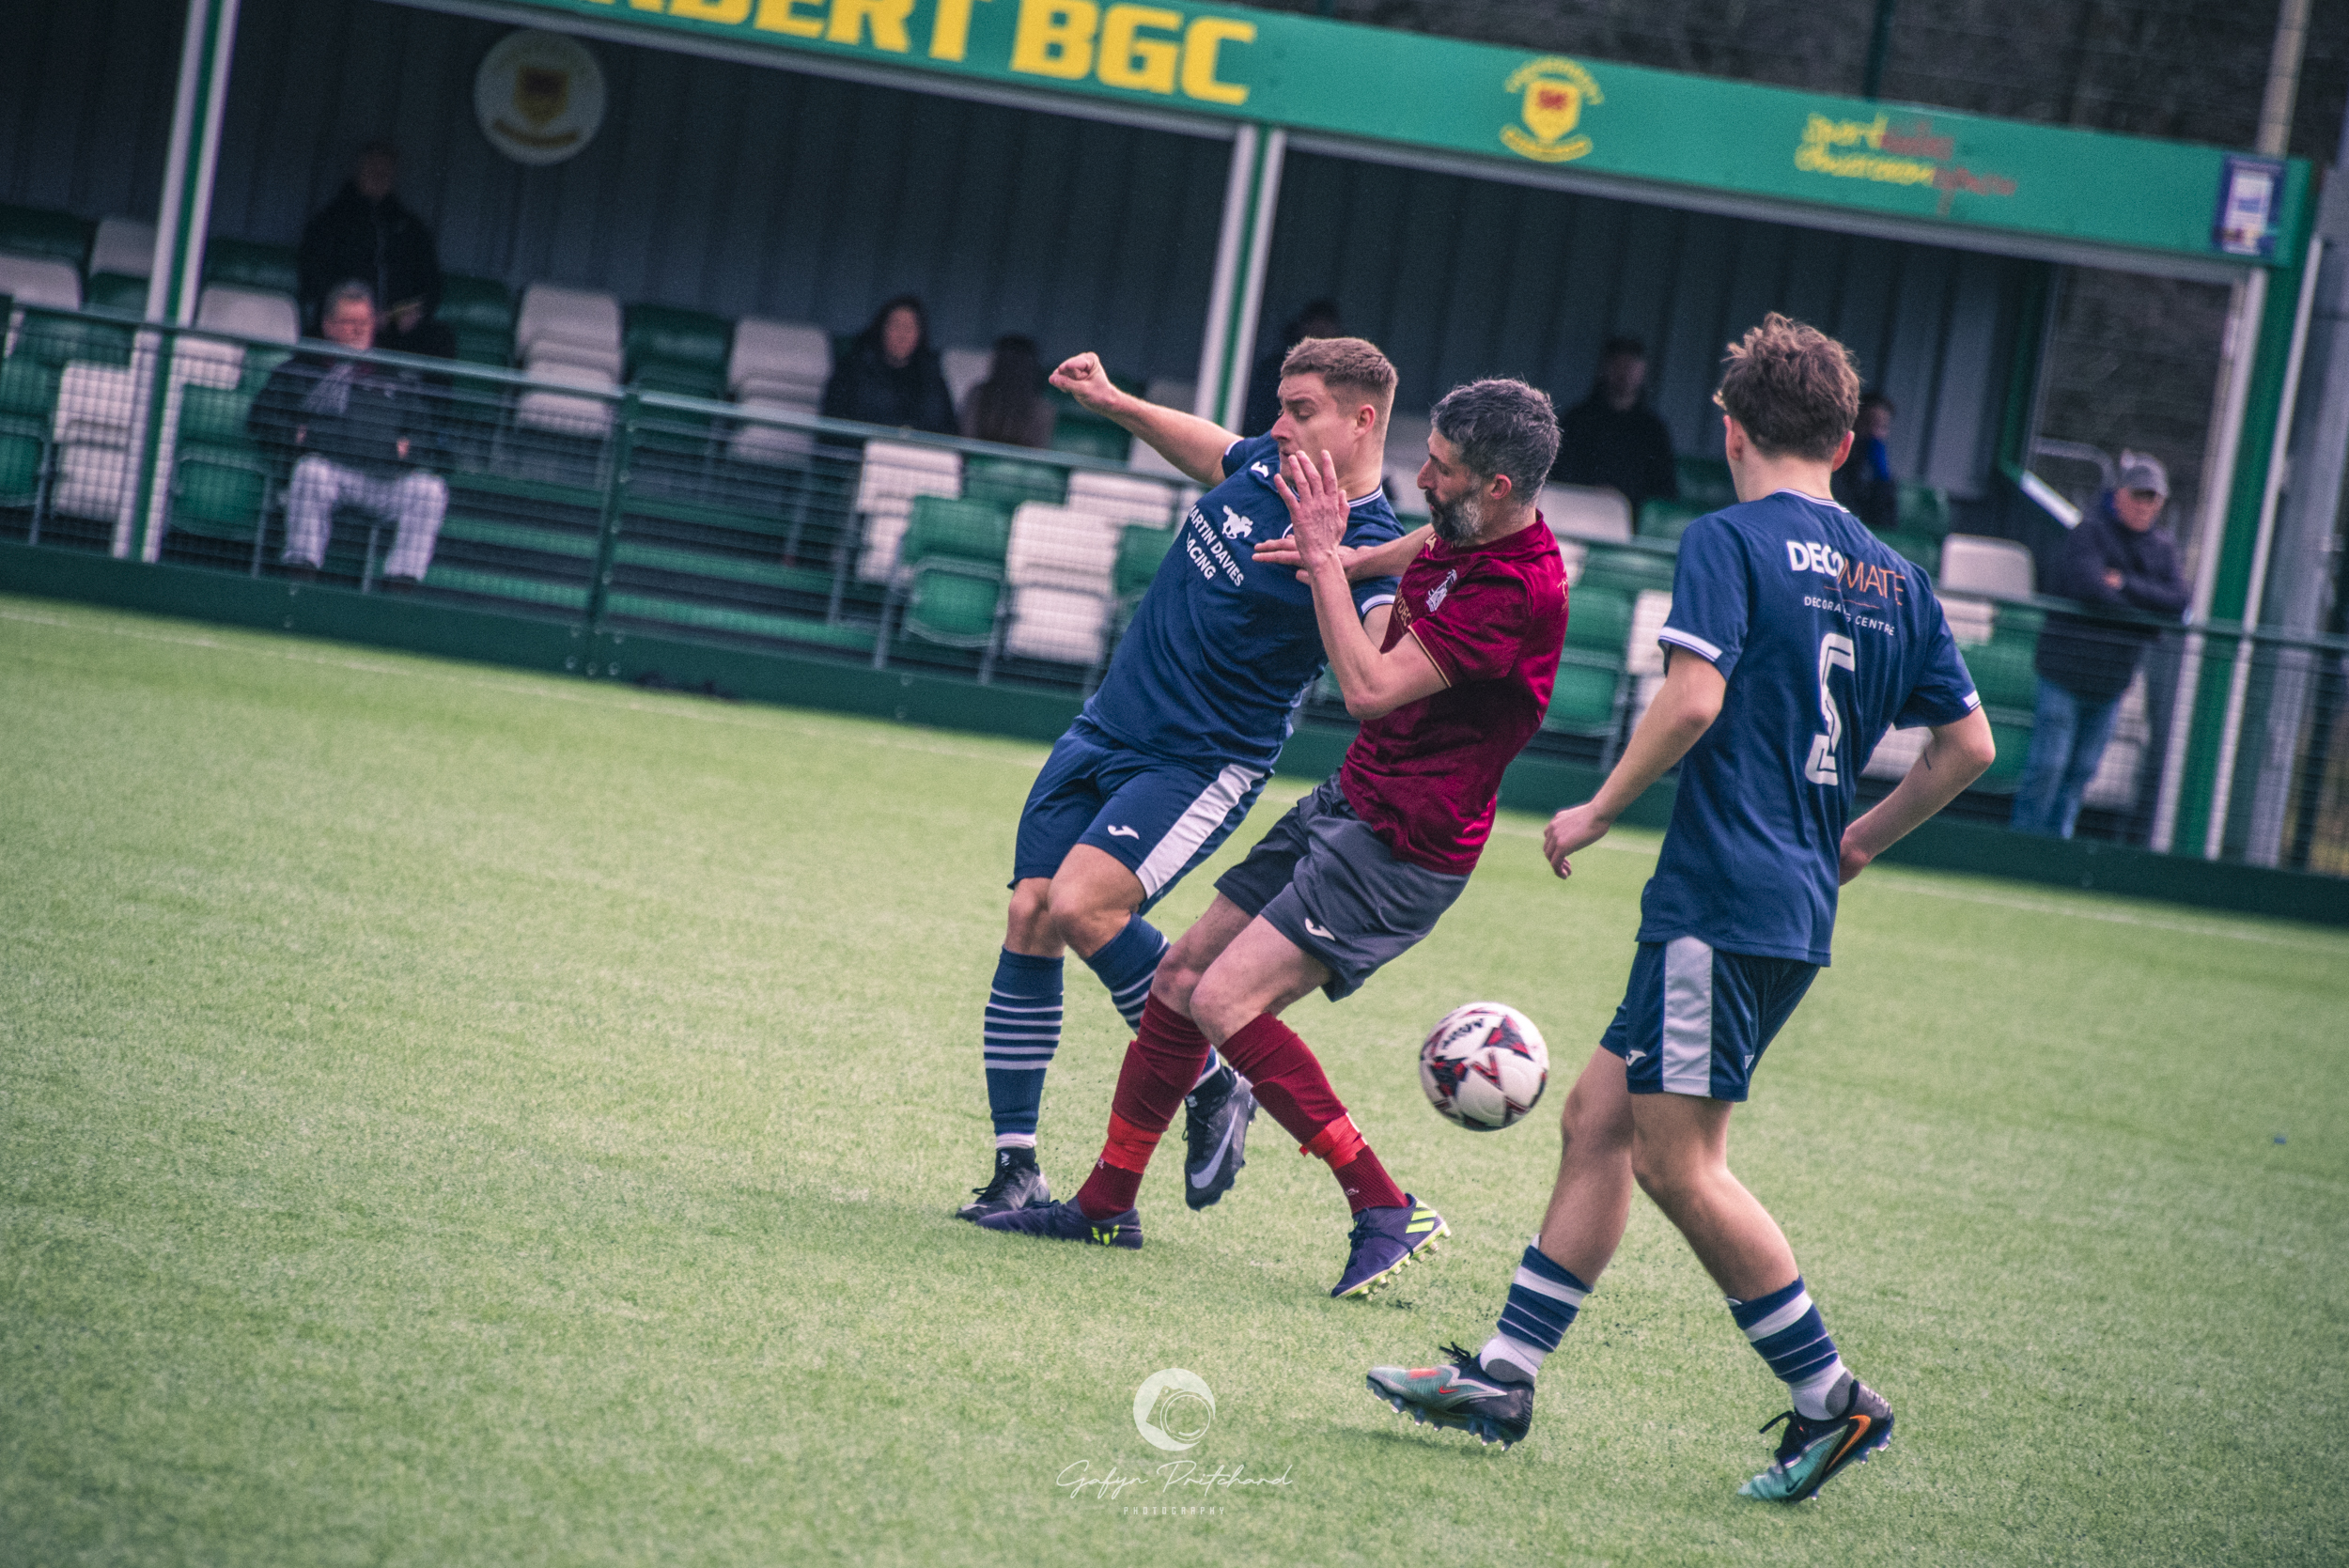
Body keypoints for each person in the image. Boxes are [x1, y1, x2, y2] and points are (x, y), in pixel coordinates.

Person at [1365, 315, 1996, 1505]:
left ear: (1728, 428)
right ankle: (1503, 1376)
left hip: (1723, 894)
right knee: (1598, 1118)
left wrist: (1600, 805)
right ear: (1850, 438)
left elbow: (1693, 698)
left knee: (1679, 1162)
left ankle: (1832, 1400)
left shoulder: (1729, 539)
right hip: (1785, 895)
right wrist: (1856, 839)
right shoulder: (1897, 576)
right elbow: (1966, 744)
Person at [978, 380, 1568, 1303]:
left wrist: (1332, 565)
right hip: (1349, 802)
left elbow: (1369, 689)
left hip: (1401, 846)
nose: (1421, 477)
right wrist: (1345, 556)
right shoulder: (1465, 530)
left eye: (1442, 469)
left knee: (1223, 1000)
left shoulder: (1515, 588)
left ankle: (1384, 1205)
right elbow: (1399, 555)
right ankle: (1104, 1202)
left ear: (1496, 485)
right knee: (1175, 983)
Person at [953, 338, 1408, 1226]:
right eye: (1279, 406)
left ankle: (1211, 1083)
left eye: (1302, 409)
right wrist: (1117, 401)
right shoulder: (1267, 463)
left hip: (1197, 760)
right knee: (1031, 915)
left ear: (1362, 422)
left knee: (1084, 906)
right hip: (1103, 726)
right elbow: (1212, 448)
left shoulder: (1371, 542)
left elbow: (1381, 661)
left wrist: (1342, 571)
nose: (1278, 425)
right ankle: (1017, 1169)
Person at [2010, 452, 2189, 838]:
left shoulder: (2163, 547)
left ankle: (2057, 847)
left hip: (2111, 682)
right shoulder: (2089, 531)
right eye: (2138, 495)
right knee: (2049, 766)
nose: (2144, 505)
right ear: (2120, 494)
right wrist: (2146, 618)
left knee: (2081, 772)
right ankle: (2023, 844)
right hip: (2063, 672)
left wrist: (2123, 584)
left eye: (2152, 498)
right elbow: (2090, 588)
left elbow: (2177, 601)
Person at [249, 280, 447, 588]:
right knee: (310, 472)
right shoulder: (302, 369)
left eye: (365, 322)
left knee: (429, 491)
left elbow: (425, 434)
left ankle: (400, 587)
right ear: (328, 326)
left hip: (382, 480)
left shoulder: (395, 375)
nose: (359, 330)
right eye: (349, 322)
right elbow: (262, 416)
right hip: (331, 474)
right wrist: (293, 435)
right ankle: (299, 580)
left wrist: (410, 449)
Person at [296, 142, 443, 343]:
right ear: (358, 171)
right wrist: (359, 315)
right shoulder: (330, 222)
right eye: (373, 169)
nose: (379, 176)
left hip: (396, 329)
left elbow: (430, 286)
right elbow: (313, 277)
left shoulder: (410, 227)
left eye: (386, 171)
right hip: (345, 324)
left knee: (440, 339)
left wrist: (404, 315)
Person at [1551, 334, 1678, 513]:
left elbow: (1664, 490)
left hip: (1630, 521)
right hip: (1576, 513)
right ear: (1606, 368)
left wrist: (1622, 498)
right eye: (1618, 365)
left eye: (1632, 367)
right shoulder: (1578, 420)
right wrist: (1592, 492)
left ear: (1643, 371)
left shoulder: (1653, 430)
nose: (1624, 374)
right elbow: (1558, 475)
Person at [819, 296, 957, 436]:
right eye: (896, 326)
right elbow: (833, 425)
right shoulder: (852, 370)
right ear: (881, 329)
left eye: (910, 327)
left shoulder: (931, 377)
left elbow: (947, 429)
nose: (902, 335)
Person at [1243, 300, 1343, 437]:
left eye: (1326, 329)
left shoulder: (1340, 378)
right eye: (1315, 327)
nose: (1320, 334)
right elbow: (1257, 414)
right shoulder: (1275, 369)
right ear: (1301, 328)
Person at [959, 334, 1055, 449]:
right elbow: (967, 440)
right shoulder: (978, 395)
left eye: (1018, 364)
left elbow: (1036, 453)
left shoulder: (1042, 409)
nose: (1011, 370)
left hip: (1021, 465)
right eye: (1005, 362)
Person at [1831, 389, 1899, 532]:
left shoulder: (1880, 477)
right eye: (1868, 424)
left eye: (1882, 427)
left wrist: (1882, 480)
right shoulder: (1834, 468)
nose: (1874, 433)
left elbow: (1886, 524)